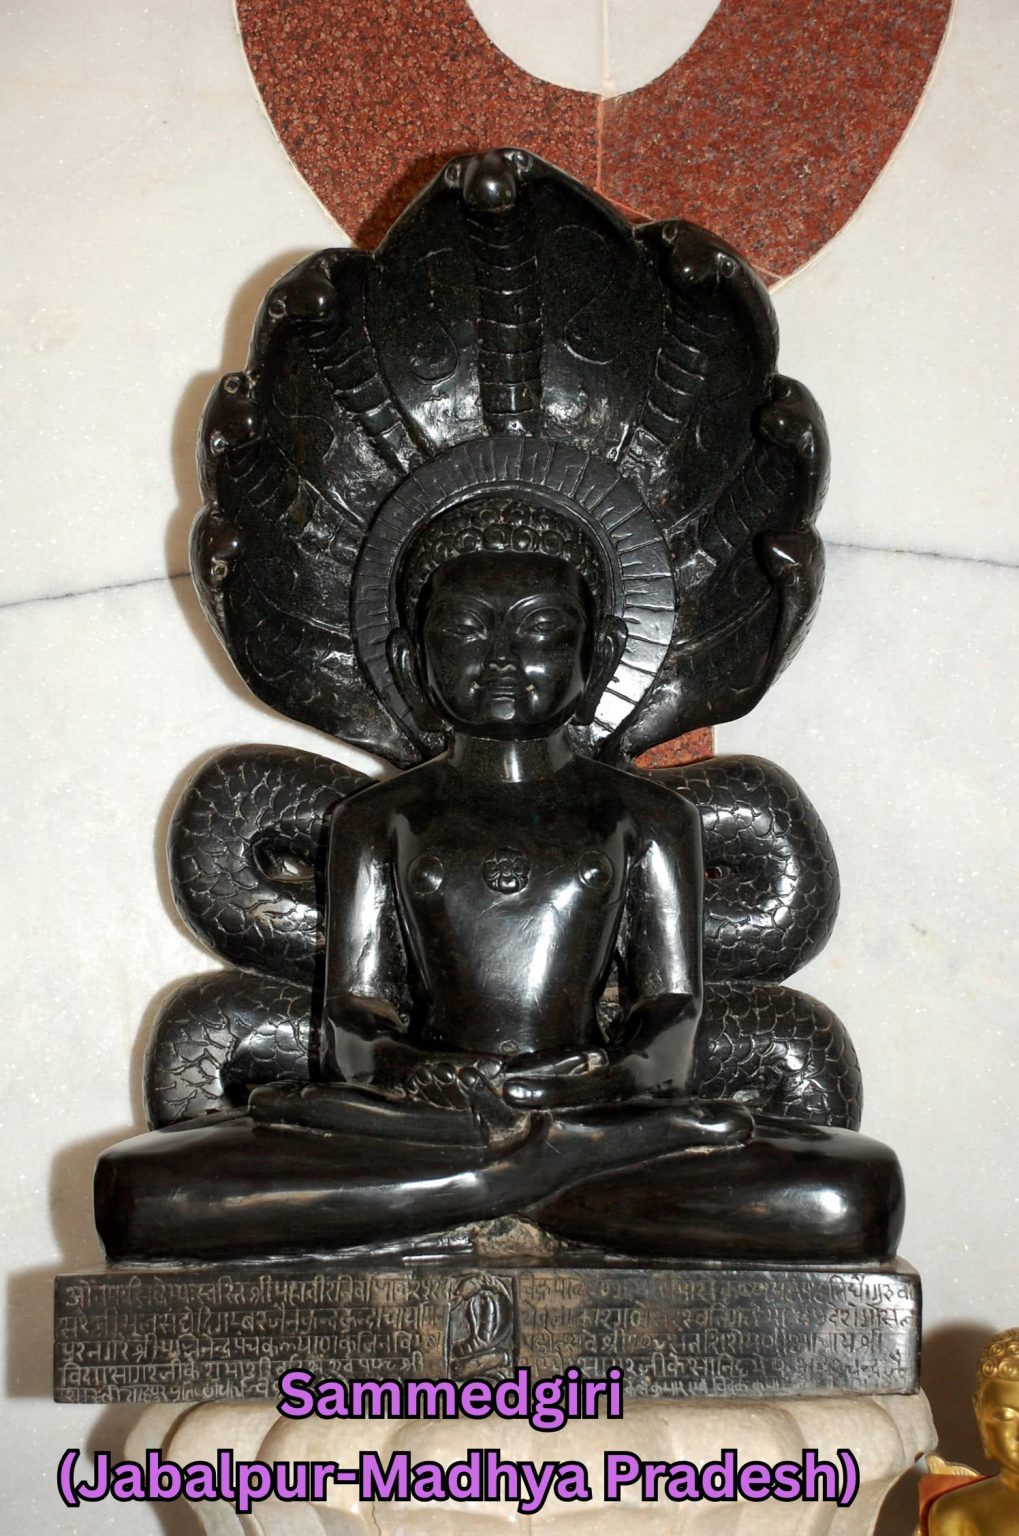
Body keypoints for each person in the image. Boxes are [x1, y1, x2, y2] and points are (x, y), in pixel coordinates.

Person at [95, 500, 902, 1263]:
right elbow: (353, 1013)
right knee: (142, 1192)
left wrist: (616, 1078)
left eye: (541, 630)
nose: (504, 659)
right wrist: (410, 1071)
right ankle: (527, 1176)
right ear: (411, 658)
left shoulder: (647, 815)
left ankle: (479, 1185)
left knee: (846, 1195)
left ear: (600, 654)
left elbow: (669, 1007)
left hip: (597, 1111)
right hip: (420, 1120)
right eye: (465, 631)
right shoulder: (378, 818)